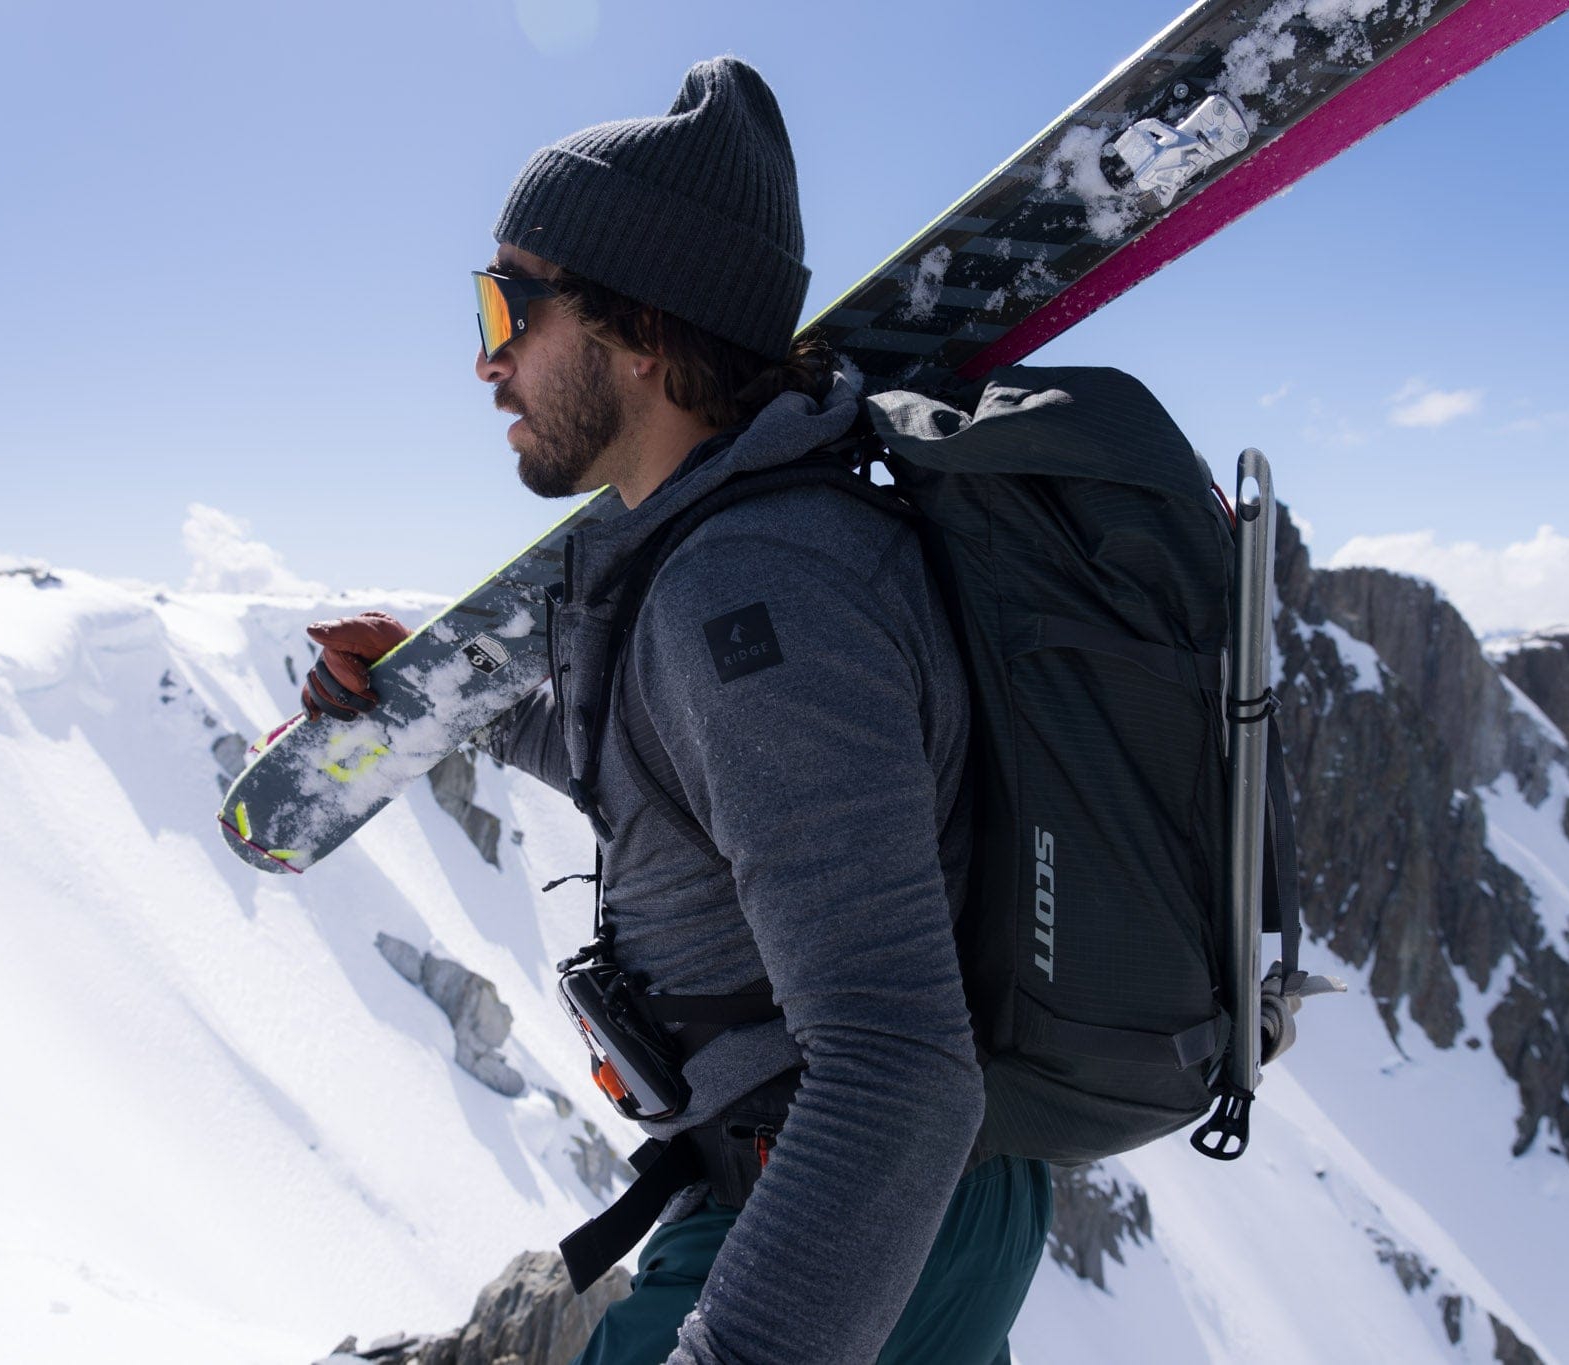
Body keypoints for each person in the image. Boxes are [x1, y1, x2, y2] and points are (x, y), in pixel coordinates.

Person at [302, 56, 1050, 1365]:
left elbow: (899, 1071)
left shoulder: (752, 595)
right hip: (847, 1208)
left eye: (508, 306)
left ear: (642, 331)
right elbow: (685, 776)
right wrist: (441, 703)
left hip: (858, 1208)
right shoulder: (741, 556)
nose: (486, 361)